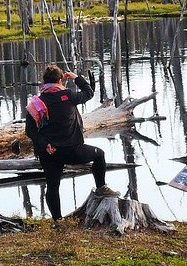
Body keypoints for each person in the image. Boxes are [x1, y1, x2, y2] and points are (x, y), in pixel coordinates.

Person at [25, 64, 119, 222]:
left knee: (52, 186)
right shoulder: (67, 96)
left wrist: (44, 144)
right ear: (61, 80)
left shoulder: (36, 103)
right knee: (99, 155)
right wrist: (76, 78)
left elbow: (30, 130)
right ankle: (101, 188)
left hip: (49, 153)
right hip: (72, 150)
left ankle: (58, 221)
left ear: (44, 82)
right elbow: (89, 92)